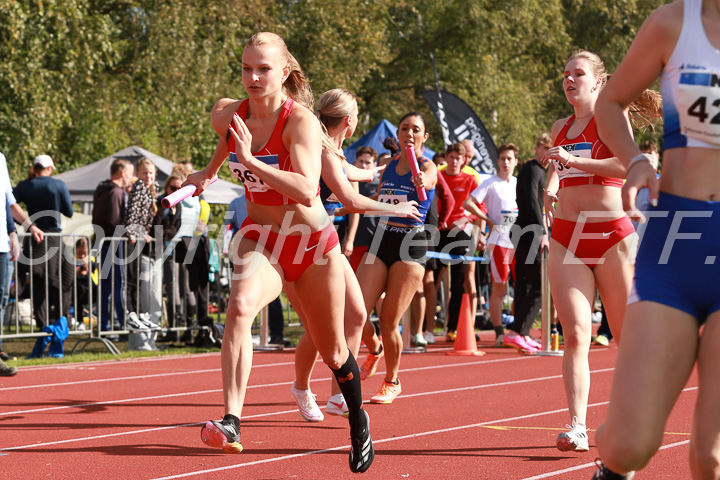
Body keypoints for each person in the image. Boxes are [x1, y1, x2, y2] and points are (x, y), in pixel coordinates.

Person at [184, 32, 373, 473]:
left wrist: (251, 163)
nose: (252, 77)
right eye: (246, 68)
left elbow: (309, 189)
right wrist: (207, 173)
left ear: (284, 72)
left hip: (310, 244)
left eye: (263, 69)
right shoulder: (230, 114)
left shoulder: (300, 121)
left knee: (334, 352)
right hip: (261, 237)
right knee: (240, 305)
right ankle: (232, 420)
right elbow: (228, 141)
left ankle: (358, 419)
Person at [592, 1, 718, 478]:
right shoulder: (674, 23)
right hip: (676, 240)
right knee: (629, 447)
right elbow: (610, 101)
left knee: (712, 458)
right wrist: (637, 161)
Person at [541, 49, 660, 454]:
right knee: (575, 334)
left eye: (578, 73)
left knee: (627, 336)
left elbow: (628, 166)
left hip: (611, 234)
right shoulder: (559, 125)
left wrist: (576, 159)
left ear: (597, 81)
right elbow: (559, 168)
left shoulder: (611, 119)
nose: (570, 79)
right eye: (566, 74)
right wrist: (551, 189)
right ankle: (577, 425)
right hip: (566, 236)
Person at [290, 89, 420, 421]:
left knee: (356, 314)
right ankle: (306, 388)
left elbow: (350, 173)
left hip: (318, 235)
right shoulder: (320, 148)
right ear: (349, 121)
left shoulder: (331, 148)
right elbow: (351, 200)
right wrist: (397, 206)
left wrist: (377, 170)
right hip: (298, 237)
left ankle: (333, 396)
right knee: (319, 325)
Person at [355, 111, 437, 404]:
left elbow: (428, 180)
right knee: (355, 311)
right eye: (405, 128)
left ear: (424, 137)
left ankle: (392, 381)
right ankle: (374, 348)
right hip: (381, 238)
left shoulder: (429, 166)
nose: (409, 134)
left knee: (389, 320)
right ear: (399, 134)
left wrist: (422, 179)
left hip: (410, 244)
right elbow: (378, 202)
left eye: (416, 130)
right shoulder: (389, 165)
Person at [464, 143, 520, 349]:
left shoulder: (518, 183)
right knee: (500, 287)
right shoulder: (490, 183)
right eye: (502, 158)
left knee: (520, 287)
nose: (506, 162)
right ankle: (499, 332)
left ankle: (517, 330)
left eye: (509, 159)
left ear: (515, 162)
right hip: (499, 242)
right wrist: (486, 218)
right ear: (498, 161)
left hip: (519, 240)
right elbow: (468, 203)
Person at [13, 155, 74, 330]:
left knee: (39, 281)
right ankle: (60, 321)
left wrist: (28, 224)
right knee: (59, 279)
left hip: (34, 237)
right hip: (53, 237)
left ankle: (43, 325)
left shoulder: (25, 186)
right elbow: (69, 211)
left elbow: (10, 205)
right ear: (49, 169)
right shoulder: (58, 185)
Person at [224, 193, 286, 346]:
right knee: (242, 297)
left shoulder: (269, 197)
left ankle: (276, 333)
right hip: (245, 250)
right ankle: (244, 334)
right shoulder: (235, 202)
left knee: (271, 295)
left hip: (269, 249)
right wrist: (225, 247)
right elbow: (228, 226)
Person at [510, 134, 552, 349]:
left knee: (526, 283)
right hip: (528, 231)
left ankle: (520, 332)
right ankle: (518, 330)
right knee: (539, 283)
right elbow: (532, 203)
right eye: (544, 148)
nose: (547, 153)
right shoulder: (533, 169)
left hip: (525, 230)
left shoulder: (538, 171)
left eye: (550, 149)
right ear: (537, 148)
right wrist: (543, 230)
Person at [436, 143, 479, 341]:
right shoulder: (438, 175)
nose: (454, 161)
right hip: (438, 231)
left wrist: (465, 220)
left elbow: (482, 209)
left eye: (457, 158)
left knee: (459, 282)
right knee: (431, 281)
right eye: (450, 157)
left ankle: (453, 328)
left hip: (462, 233)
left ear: (464, 160)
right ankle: (425, 327)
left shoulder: (470, 180)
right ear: (446, 158)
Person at [92, 158, 134, 333]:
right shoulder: (116, 192)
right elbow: (113, 221)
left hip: (102, 243)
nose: (130, 179)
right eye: (130, 174)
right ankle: (122, 324)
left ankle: (103, 325)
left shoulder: (100, 189)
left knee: (105, 287)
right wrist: (127, 232)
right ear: (122, 173)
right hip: (114, 244)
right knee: (119, 285)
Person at [123, 158, 162, 329]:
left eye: (151, 173)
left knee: (138, 278)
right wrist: (135, 232)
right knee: (132, 278)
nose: (148, 176)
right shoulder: (139, 186)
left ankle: (139, 313)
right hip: (132, 237)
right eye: (145, 173)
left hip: (140, 236)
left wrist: (144, 233)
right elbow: (132, 212)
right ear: (138, 174)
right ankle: (131, 313)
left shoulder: (152, 189)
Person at [155, 175, 183, 342]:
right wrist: (163, 234)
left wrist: (165, 234)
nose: (176, 192)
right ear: (167, 188)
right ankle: (155, 328)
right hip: (153, 251)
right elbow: (155, 226)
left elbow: (174, 230)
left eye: (179, 190)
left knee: (173, 291)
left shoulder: (178, 206)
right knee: (155, 291)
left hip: (170, 252)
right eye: (173, 189)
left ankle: (174, 328)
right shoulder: (160, 203)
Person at [0, 152, 20, 376]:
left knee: (2, 299)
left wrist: (14, 231)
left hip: (2, 243)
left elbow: (7, 200)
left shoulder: (1, 159)